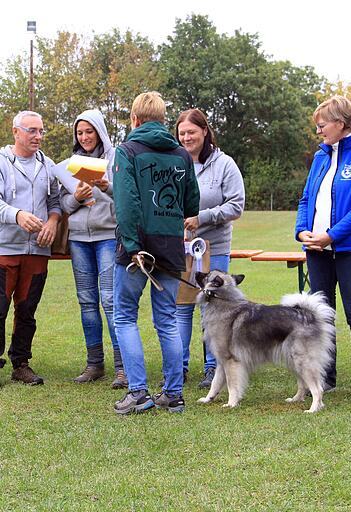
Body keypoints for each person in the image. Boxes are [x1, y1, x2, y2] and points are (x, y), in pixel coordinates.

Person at [112, 92, 200, 414]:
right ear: (164, 120)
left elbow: (126, 203)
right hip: (171, 245)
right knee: (167, 320)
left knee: (124, 316)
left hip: (137, 248)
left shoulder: (127, 151)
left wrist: (133, 247)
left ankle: (138, 392)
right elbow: (192, 201)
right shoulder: (181, 155)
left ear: (134, 119)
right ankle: (173, 393)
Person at [294, 95, 351, 400]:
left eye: (322, 125)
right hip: (317, 249)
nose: (319, 131)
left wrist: (331, 235)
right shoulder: (320, 157)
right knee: (321, 315)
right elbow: (306, 199)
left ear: (340, 123)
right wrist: (302, 231)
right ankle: (326, 378)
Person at [0, 111, 61, 390]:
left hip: (37, 250)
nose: (38, 136)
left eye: (41, 131)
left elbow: (56, 201)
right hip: (3, 248)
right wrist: (17, 215)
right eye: (32, 131)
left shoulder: (48, 165)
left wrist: (52, 221)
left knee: (27, 311)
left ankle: (21, 364)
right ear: (16, 132)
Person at [174, 109, 245, 389]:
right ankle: (177, 367)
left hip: (214, 247)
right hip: (179, 248)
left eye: (192, 131)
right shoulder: (174, 163)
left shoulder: (224, 164)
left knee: (212, 308)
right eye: (182, 133)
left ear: (205, 131)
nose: (187, 137)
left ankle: (212, 368)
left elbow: (236, 205)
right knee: (181, 308)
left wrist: (202, 217)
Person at [57, 109, 127, 388]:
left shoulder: (115, 159)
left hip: (108, 235)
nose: (84, 137)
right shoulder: (69, 164)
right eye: (80, 132)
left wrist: (107, 187)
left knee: (110, 301)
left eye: (89, 131)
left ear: (100, 131)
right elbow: (62, 204)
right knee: (87, 301)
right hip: (78, 240)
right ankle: (94, 363)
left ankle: (122, 367)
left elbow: (126, 197)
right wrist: (75, 197)